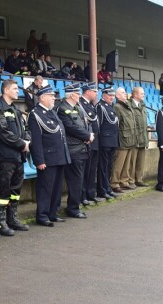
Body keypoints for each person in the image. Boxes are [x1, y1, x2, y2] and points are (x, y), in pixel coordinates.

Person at [0, 79, 31, 236]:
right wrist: (22, 143)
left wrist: (27, 141)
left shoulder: (15, 109)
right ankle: (0, 223)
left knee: (15, 189)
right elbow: (3, 132)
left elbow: (26, 128)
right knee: (3, 190)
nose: (17, 91)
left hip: (19, 156)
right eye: (14, 88)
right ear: (6, 90)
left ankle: (12, 219)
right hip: (5, 157)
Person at [27, 85, 70, 227]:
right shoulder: (35, 114)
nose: (53, 98)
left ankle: (53, 213)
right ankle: (42, 215)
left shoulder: (52, 112)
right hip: (47, 158)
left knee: (57, 188)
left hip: (59, 156)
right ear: (43, 97)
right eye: (51, 96)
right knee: (45, 188)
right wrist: (39, 160)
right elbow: (36, 140)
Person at [57, 83, 94, 219]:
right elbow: (70, 127)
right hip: (73, 149)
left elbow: (87, 124)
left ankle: (75, 205)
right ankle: (73, 208)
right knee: (75, 181)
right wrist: (86, 136)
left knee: (79, 179)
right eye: (77, 94)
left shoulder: (78, 107)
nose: (79, 96)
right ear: (72, 95)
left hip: (83, 148)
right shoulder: (62, 109)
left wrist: (89, 135)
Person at [78, 82, 103, 205]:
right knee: (85, 171)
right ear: (87, 92)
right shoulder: (81, 104)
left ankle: (90, 193)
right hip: (87, 142)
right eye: (94, 91)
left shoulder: (91, 105)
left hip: (95, 142)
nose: (96, 94)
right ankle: (83, 196)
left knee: (92, 170)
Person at [110, 87, 135, 193]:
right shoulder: (117, 107)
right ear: (117, 95)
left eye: (125, 92)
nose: (126, 94)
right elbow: (117, 125)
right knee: (118, 163)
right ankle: (114, 183)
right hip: (122, 139)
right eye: (123, 93)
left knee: (126, 163)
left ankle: (124, 181)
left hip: (130, 138)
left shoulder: (126, 106)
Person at [96, 88, 119, 199]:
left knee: (109, 166)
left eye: (113, 95)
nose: (112, 97)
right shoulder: (100, 107)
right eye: (110, 95)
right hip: (104, 141)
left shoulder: (110, 107)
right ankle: (102, 189)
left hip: (112, 141)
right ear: (104, 95)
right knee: (103, 167)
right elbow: (98, 126)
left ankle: (107, 187)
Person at [128, 87, 149, 187]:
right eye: (142, 93)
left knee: (141, 161)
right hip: (134, 138)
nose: (143, 95)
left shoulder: (143, 106)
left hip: (142, 138)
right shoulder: (129, 105)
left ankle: (139, 179)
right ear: (135, 94)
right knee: (132, 162)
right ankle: (131, 180)